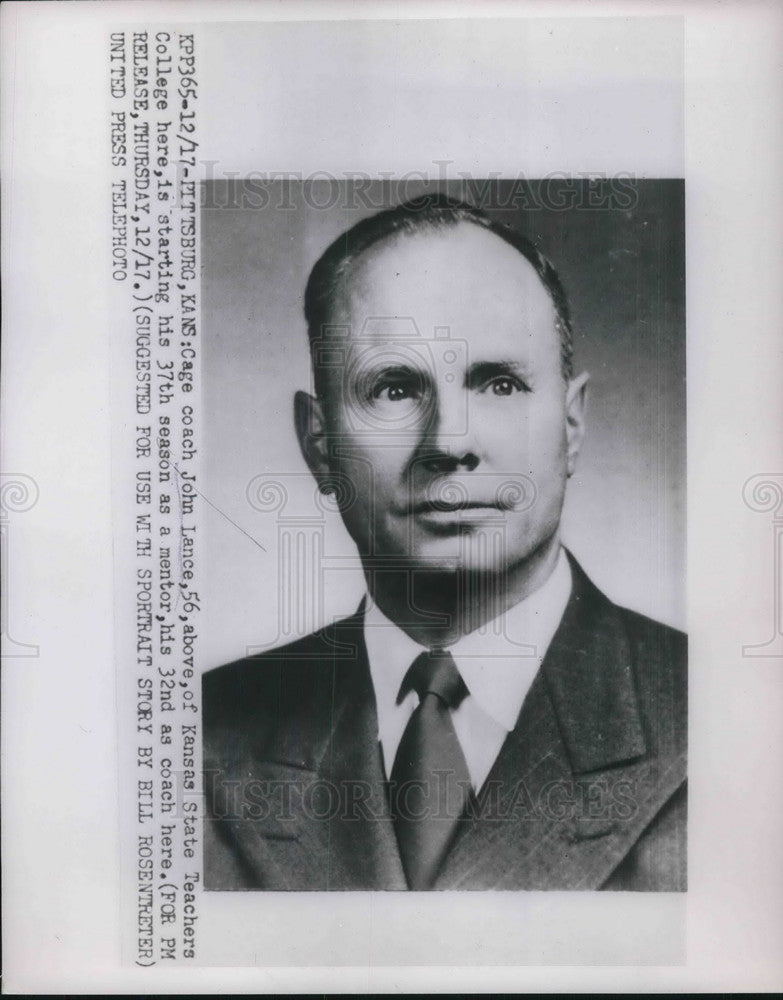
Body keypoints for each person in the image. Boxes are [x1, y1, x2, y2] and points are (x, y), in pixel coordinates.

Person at [202, 194, 686, 891]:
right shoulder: (190, 743)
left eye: (498, 383)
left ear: (571, 424)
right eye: (394, 388)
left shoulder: (732, 716)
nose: (450, 442)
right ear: (317, 442)